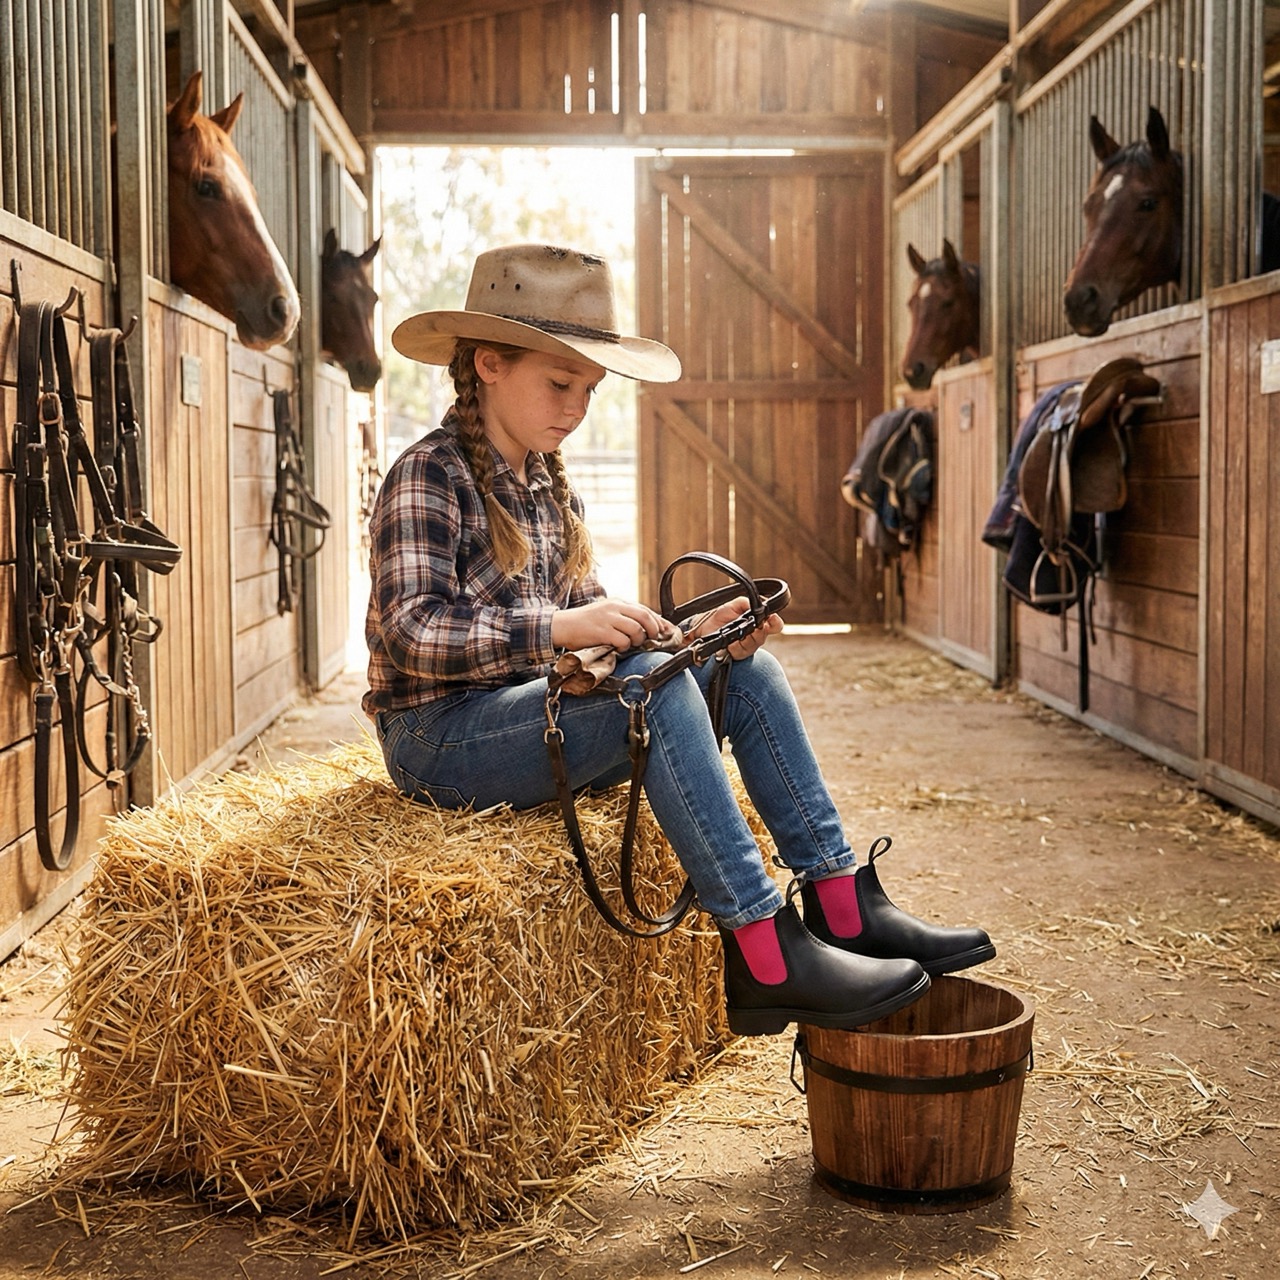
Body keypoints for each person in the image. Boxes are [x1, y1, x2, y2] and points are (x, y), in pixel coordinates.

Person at [365, 243, 994, 1037]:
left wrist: (685, 641)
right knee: (652, 699)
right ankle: (764, 952)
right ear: (488, 363)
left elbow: (588, 630)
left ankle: (841, 905)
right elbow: (412, 633)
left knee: (748, 679)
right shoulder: (428, 475)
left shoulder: (546, 486)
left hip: (525, 712)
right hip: (439, 735)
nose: (576, 408)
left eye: (589, 391)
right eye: (560, 384)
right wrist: (562, 629)